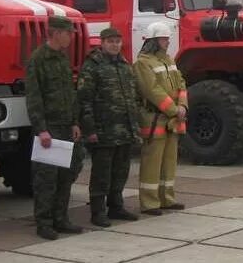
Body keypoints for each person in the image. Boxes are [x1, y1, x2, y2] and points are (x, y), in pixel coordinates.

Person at [26, 15, 85, 240]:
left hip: (65, 126)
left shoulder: (61, 58)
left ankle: (61, 219)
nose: (71, 37)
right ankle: (44, 223)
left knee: (65, 175)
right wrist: (41, 128)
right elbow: (34, 97)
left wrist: (74, 122)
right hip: (48, 128)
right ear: (56, 33)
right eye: (68, 33)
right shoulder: (39, 59)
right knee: (46, 178)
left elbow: (69, 94)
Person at [78, 27, 142, 227]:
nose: (115, 45)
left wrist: (135, 127)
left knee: (121, 170)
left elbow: (132, 97)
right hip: (103, 131)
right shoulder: (93, 66)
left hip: (124, 129)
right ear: (102, 43)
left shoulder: (124, 65)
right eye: (110, 41)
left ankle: (116, 206)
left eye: (117, 41)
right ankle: (97, 212)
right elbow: (84, 100)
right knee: (101, 174)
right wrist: (90, 130)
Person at [134, 22, 187, 215]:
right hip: (155, 119)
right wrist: (175, 110)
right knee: (152, 163)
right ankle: (150, 203)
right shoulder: (143, 63)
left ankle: (167, 198)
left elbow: (181, 82)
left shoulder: (169, 60)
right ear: (153, 41)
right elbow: (152, 91)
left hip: (172, 119)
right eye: (164, 39)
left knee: (169, 161)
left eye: (167, 39)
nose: (167, 42)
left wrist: (182, 105)